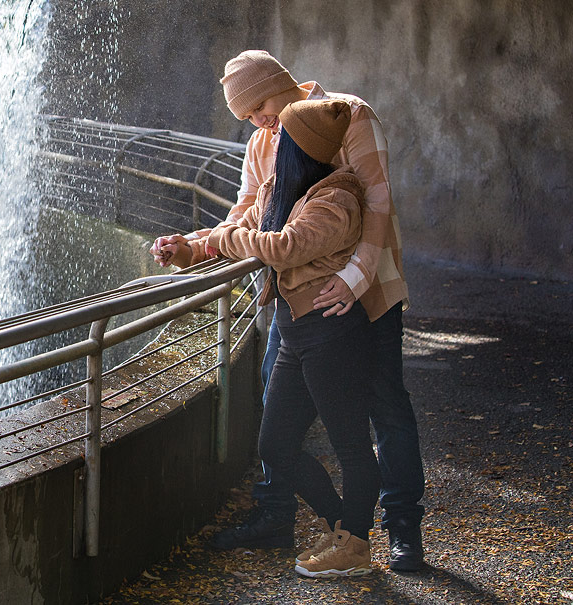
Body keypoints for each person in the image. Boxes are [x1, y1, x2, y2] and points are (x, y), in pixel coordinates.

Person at [152, 50, 425, 572]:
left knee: (383, 406)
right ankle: (281, 515)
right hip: (297, 300)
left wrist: (355, 277)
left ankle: (398, 528)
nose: (257, 120)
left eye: (259, 105)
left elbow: (377, 201)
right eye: (247, 115)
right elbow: (249, 214)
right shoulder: (263, 141)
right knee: (277, 415)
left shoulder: (346, 115)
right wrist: (192, 247)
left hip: (365, 291)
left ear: (281, 84)